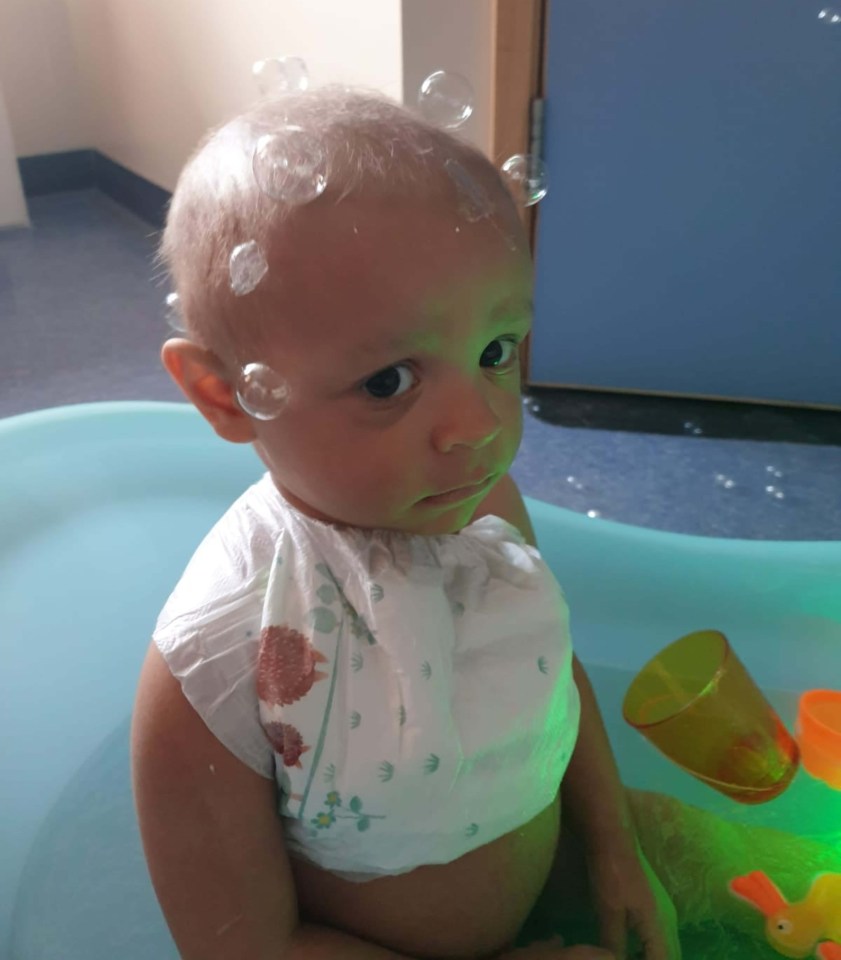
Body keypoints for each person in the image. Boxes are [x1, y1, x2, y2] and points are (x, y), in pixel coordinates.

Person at [130, 87, 834, 960]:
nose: (481, 427)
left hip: (571, 865)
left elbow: (540, 667)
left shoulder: (474, 509)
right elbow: (242, 947)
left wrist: (614, 850)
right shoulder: (217, 659)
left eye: (495, 352)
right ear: (222, 393)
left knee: (787, 882)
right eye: (388, 380)